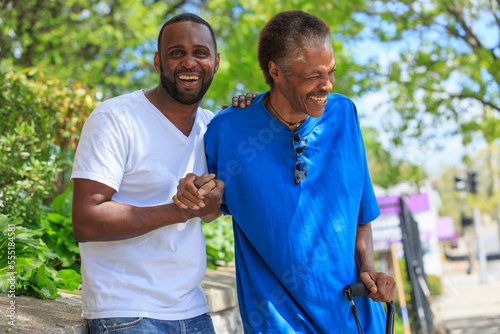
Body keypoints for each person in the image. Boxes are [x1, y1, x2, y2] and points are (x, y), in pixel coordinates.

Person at [174, 10, 396, 333]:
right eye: (313, 76)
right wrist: (193, 193)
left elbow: (361, 216)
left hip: (357, 319)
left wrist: (370, 270)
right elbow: (208, 210)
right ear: (276, 72)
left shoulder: (344, 116)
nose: (327, 85)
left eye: (331, 72)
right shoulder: (228, 132)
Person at [71, 13, 254, 334]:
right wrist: (177, 211)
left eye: (200, 52)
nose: (189, 62)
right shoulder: (115, 118)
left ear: (216, 61)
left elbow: (212, 213)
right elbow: (86, 220)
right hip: (126, 312)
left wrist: (255, 115)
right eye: (176, 52)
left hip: (193, 309)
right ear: (158, 62)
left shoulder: (212, 126)